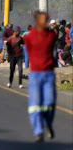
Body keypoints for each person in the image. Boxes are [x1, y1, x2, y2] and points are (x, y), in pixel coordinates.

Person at [25, 11, 58, 142]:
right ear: (37, 20)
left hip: (49, 74)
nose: (46, 22)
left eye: (47, 19)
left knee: (49, 103)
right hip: (35, 75)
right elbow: (29, 50)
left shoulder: (51, 35)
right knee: (35, 104)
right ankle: (38, 131)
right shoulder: (29, 37)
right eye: (43, 19)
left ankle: (48, 123)